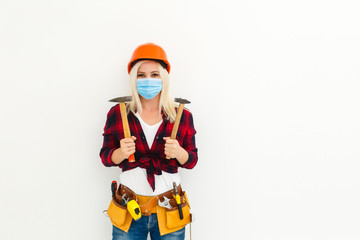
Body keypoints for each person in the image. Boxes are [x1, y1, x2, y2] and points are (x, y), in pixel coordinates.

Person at [100, 42, 198, 240]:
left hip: (169, 210)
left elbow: (192, 160)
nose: (148, 80)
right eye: (141, 75)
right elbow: (105, 157)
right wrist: (120, 153)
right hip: (129, 208)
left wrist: (179, 152)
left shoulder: (181, 115)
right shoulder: (118, 113)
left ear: (164, 77)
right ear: (133, 79)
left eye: (154, 75)